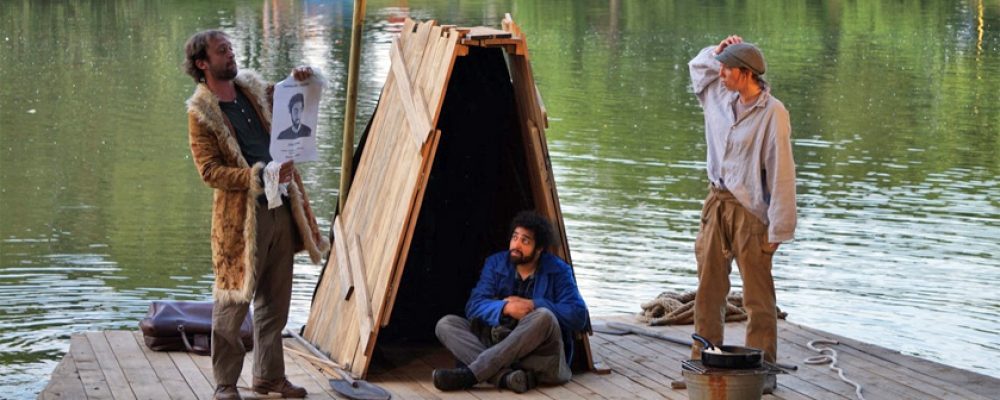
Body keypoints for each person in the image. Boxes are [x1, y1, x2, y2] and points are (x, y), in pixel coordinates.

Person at [183, 30, 330, 400]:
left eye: (230, 48)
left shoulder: (252, 89)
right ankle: (225, 384)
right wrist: (255, 175)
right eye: (221, 51)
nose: (230, 55)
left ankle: (268, 377)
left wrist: (301, 77)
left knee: (275, 303)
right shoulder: (201, 112)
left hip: (281, 204)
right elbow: (209, 172)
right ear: (203, 63)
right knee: (233, 305)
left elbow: (290, 101)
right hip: (241, 219)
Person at [687, 36, 797, 393]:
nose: (720, 73)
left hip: (751, 213)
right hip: (715, 204)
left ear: (746, 74)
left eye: (727, 68)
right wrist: (719, 50)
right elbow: (697, 68)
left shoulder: (773, 113)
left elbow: (782, 171)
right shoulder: (717, 96)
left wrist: (778, 230)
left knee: (758, 297)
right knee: (708, 290)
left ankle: (762, 372)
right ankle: (703, 365)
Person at [432, 211, 589, 393]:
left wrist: (534, 304)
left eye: (525, 241)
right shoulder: (495, 263)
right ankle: (506, 378)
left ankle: (471, 374)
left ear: (539, 249)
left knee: (544, 316)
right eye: (515, 237)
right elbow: (474, 306)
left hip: (539, 357)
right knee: (446, 324)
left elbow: (579, 315)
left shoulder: (559, 270)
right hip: (499, 345)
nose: (516, 245)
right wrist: (505, 307)